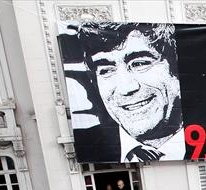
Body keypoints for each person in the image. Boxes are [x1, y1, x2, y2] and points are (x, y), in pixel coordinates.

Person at [73, 23, 184, 162]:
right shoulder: (84, 147)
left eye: (140, 63)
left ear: (176, 68)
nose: (126, 88)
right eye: (106, 70)